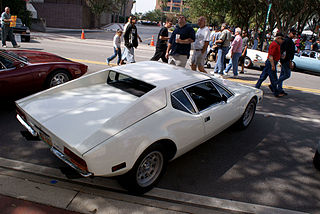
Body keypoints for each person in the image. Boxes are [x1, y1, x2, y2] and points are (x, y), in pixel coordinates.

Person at [255, 32, 285, 97]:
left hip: (272, 62)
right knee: (273, 78)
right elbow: (271, 56)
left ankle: (256, 87)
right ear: (278, 38)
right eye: (282, 39)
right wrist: (273, 65)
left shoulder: (277, 44)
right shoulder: (274, 45)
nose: (282, 41)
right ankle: (276, 92)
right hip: (271, 62)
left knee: (263, 76)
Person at [276, 28, 296, 96]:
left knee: (282, 74)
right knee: (287, 74)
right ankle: (275, 83)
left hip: (286, 60)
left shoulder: (289, 41)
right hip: (286, 60)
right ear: (290, 33)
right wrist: (288, 60)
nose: (294, 35)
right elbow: (284, 51)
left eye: (295, 34)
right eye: (293, 33)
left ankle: (279, 89)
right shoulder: (287, 41)